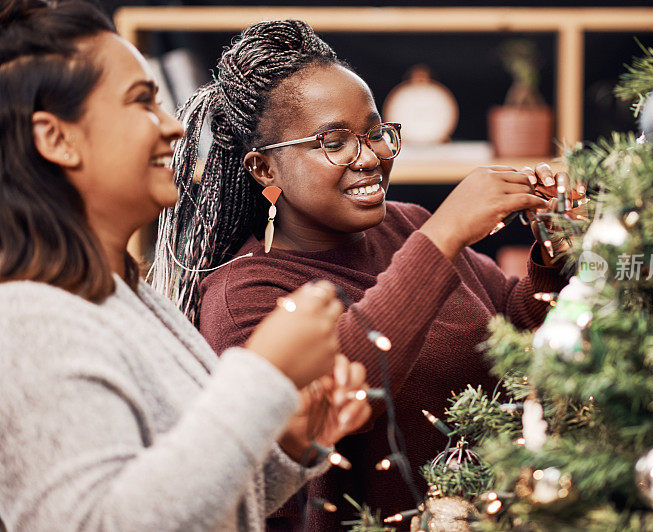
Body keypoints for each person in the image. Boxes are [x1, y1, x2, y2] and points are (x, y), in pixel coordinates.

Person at [153, 19, 581, 530]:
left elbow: (515, 321)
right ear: (265, 169)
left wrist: (554, 254)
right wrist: (444, 236)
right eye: (335, 141)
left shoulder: (408, 224)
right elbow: (339, 390)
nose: (372, 157)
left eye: (376, 133)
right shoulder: (243, 295)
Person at [0, 2, 371, 530]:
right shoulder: (29, 320)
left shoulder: (123, 295)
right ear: (56, 139)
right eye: (142, 102)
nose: (173, 128)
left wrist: (289, 443)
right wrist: (262, 375)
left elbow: (190, 500)